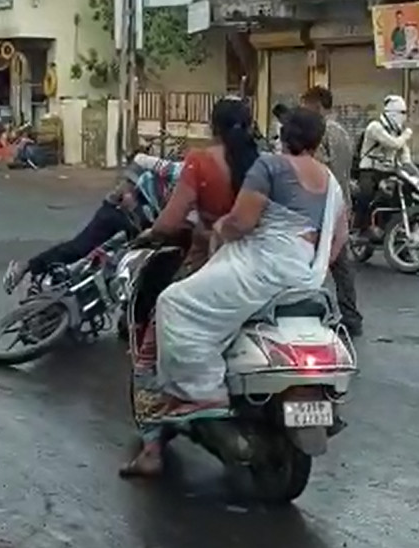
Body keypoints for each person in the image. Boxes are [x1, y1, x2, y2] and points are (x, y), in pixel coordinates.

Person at [121, 106, 348, 477]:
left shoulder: (269, 167)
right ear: (319, 139)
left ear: (283, 133)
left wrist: (221, 232)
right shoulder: (331, 182)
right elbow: (337, 241)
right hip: (304, 276)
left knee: (173, 304)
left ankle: (202, 395)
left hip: (260, 268)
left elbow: (242, 221)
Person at [120, 97, 260, 477]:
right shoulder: (263, 164)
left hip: (207, 263)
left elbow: (170, 221)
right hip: (258, 269)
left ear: (212, 125)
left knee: (151, 341)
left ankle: (151, 449)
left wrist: (149, 234)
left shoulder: (200, 162)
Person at [2, 154, 182, 293]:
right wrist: (128, 191)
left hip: (143, 226)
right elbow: (140, 160)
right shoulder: (178, 171)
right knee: (80, 248)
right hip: (120, 210)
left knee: (138, 271)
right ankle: (26, 266)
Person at [300, 86, 362, 336]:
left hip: (322, 202)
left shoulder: (321, 132)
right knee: (341, 262)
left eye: (305, 105)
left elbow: (319, 166)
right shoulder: (343, 133)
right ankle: (350, 314)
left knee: (310, 258)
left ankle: (306, 311)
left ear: (316, 105)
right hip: (342, 201)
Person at [356, 94, 413, 241]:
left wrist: (408, 166)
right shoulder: (375, 127)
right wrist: (407, 134)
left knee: (400, 195)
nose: (404, 117)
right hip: (369, 169)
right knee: (367, 194)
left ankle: (391, 227)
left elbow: (403, 151)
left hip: (388, 171)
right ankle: (362, 228)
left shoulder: (397, 131)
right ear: (392, 113)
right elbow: (394, 144)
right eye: (402, 113)